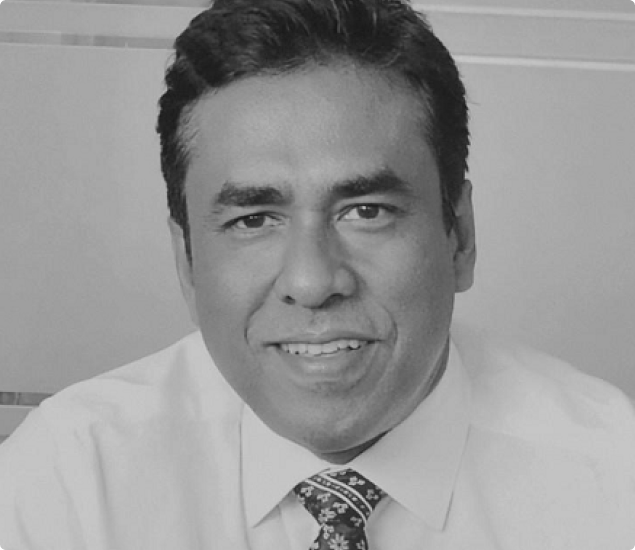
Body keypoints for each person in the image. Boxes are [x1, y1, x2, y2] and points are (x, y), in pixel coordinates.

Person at [1, 0, 634, 548]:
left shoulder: (614, 481)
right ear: (186, 262)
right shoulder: (69, 482)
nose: (311, 282)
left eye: (367, 211)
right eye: (253, 219)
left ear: (459, 237)